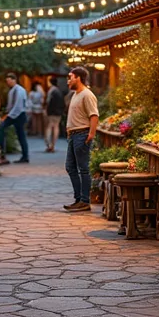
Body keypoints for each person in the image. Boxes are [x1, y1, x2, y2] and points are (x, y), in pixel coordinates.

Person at [63, 66, 99, 211]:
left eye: (70, 77)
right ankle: (78, 199)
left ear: (78, 78)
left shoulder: (87, 95)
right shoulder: (76, 94)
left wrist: (91, 134)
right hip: (73, 135)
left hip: (82, 134)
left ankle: (84, 200)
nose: (68, 80)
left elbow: (94, 115)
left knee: (83, 169)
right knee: (70, 167)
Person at [0, 71, 29, 164]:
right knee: (20, 135)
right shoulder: (12, 91)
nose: (8, 83)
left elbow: (18, 106)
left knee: (18, 134)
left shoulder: (19, 90)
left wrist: (8, 116)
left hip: (18, 115)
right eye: (7, 81)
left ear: (14, 80)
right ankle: (23, 156)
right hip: (14, 114)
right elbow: (10, 105)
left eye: (9, 81)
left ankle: (23, 156)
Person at [44, 76, 64, 153]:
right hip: (58, 112)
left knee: (49, 126)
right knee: (56, 126)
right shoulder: (59, 91)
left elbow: (48, 102)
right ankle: (53, 145)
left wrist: (46, 111)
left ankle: (48, 144)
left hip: (51, 112)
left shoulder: (51, 91)